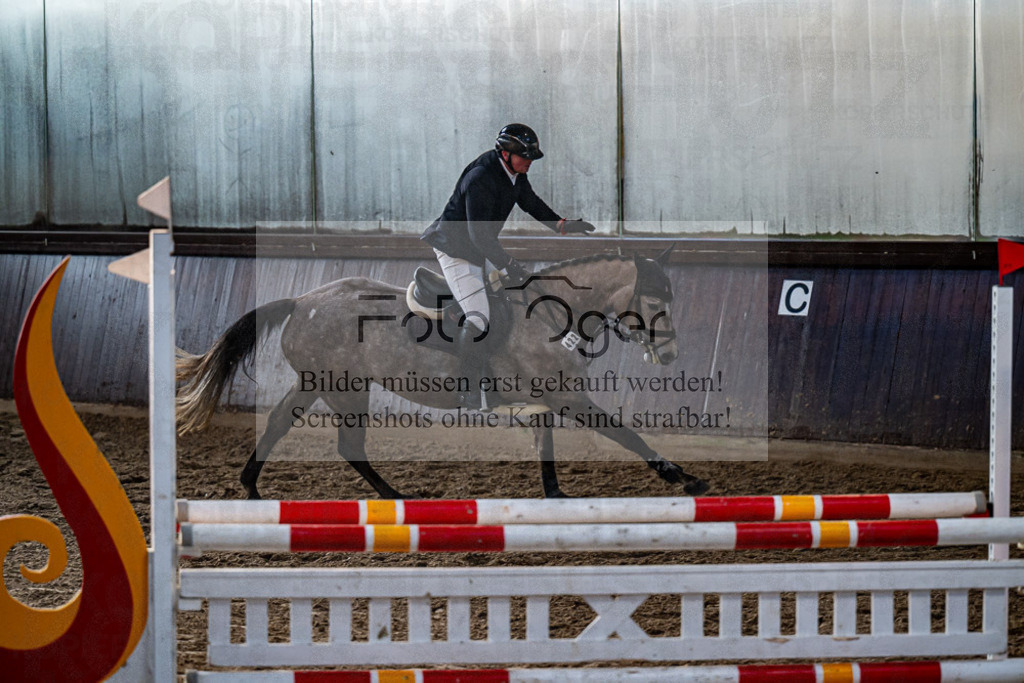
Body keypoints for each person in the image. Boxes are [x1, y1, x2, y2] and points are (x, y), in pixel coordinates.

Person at [421, 123, 596, 410]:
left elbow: (531, 203)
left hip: (480, 247)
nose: (529, 162)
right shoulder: (480, 178)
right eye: (524, 157)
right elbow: (479, 236)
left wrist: (562, 225)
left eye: (530, 158)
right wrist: (510, 264)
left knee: (512, 302)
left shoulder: (514, 174)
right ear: (504, 153)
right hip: (456, 251)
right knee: (478, 318)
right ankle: (467, 388)